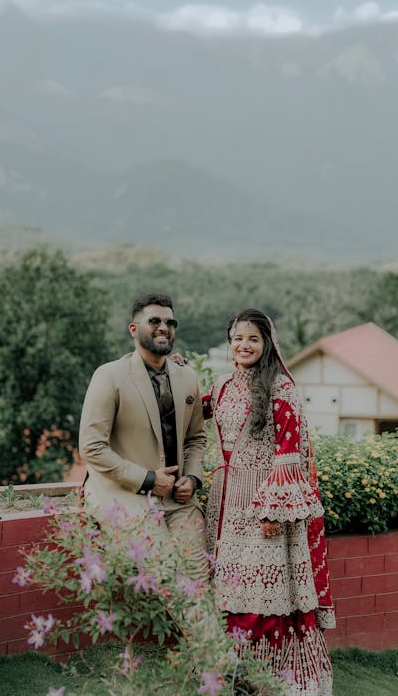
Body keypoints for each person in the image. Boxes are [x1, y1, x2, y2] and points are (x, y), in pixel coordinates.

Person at [203, 309, 335, 696]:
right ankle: (229, 672)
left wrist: (272, 512)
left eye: (253, 339)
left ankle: (265, 677)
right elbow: (201, 410)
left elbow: (288, 454)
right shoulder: (223, 385)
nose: (243, 345)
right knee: (227, 591)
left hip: (262, 509)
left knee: (260, 599)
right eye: (237, 338)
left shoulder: (281, 389)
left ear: (267, 345)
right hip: (222, 506)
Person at [79, 292, 209, 582]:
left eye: (170, 321)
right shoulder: (109, 375)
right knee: (171, 579)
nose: (164, 327)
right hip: (127, 498)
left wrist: (193, 478)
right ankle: (212, 631)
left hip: (179, 500)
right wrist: (148, 479)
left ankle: (209, 630)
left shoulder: (187, 377)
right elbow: (91, 447)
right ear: (133, 329)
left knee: (200, 579)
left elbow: (196, 439)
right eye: (154, 321)